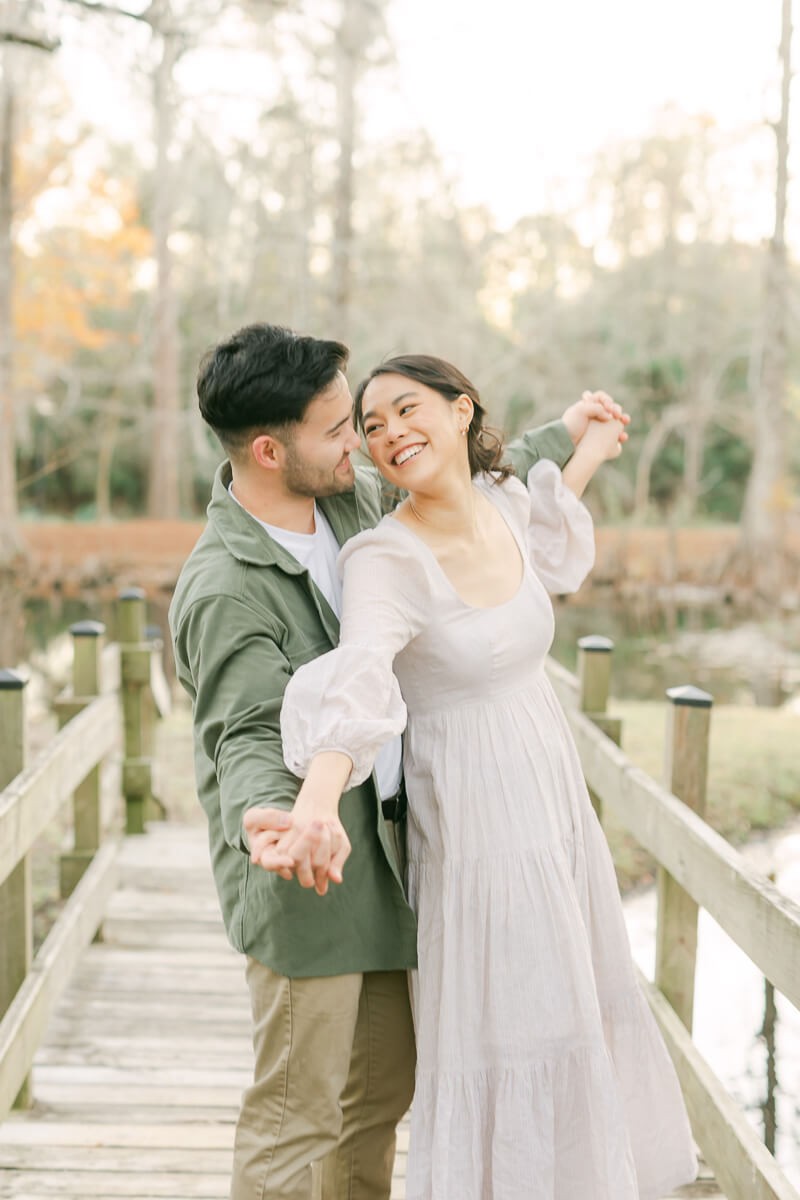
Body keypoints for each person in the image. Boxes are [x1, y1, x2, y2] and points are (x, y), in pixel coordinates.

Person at [168, 324, 629, 1200]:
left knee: (376, 1096)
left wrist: (567, 432)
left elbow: (461, 476)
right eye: (342, 428)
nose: (364, 444)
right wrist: (284, 815)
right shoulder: (225, 586)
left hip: (391, 858)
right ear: (271, 449)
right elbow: (248, 733)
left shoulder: (342, 498)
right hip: (305, 867)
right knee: (297, 1116)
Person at [268, 354, 698, 1200]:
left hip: (553, 804)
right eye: (373, 423)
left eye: (406, 408)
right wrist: (315, 803)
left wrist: (592, 444)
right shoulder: (383, 560)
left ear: (461, 411)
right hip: (473, 828)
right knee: (511, 1027)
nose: (389, 432)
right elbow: (359, 681)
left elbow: (544, 552)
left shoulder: (506, 503)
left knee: (572, 1004)